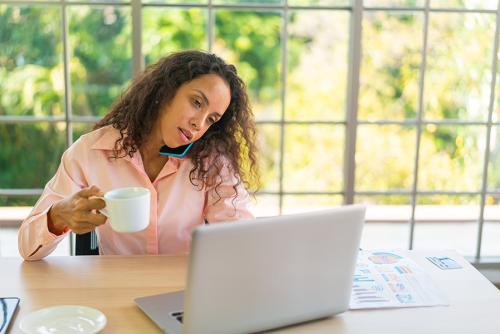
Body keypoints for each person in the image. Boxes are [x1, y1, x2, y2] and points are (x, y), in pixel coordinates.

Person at [18, 50, 259, 261]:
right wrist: (57, 216)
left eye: (211, 119)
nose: (199, 123)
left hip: (181, 294)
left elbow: (241, 239)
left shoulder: (212, 161)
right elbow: (27, 249)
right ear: (166, 92)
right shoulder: (90, 152)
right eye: (196, 102)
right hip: (116, 291)